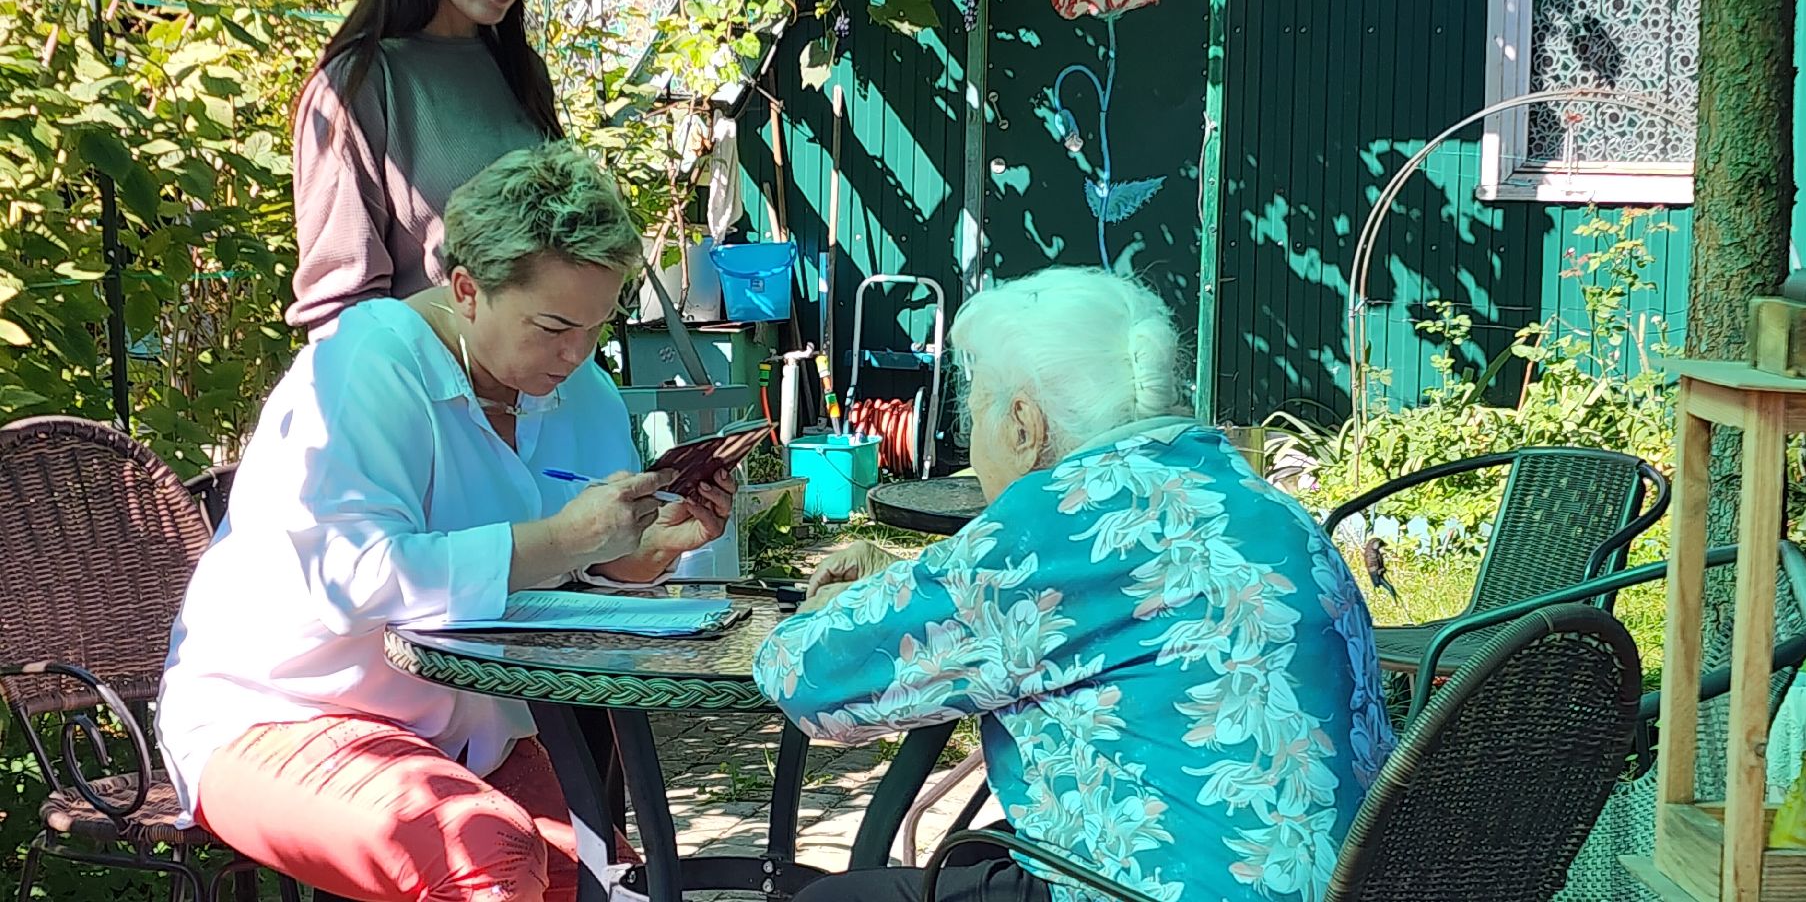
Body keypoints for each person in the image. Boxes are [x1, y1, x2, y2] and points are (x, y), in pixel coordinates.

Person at [157, 142, 735, 902]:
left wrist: (644, 550)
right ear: (465, 288)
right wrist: (567, 537)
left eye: (596, 327)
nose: (577, 353)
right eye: (554, 325)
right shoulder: (363, 366)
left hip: (465, 727)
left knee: (612, 887)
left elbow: (581, 566)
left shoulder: (579, 384)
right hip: (282, 710)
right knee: (487, 863)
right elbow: (357, 579)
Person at [752, 268, 1396, 902]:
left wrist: (819, 609)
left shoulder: (1061, 519)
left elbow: (805, 678)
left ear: (1024, 426)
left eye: (974, 416)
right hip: (1343, 878)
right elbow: (1057, 597)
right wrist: (896, 583)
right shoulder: (1250, 496)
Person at [289, 0, 563, 336]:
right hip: (423, 402)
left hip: (544, 404)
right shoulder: (356, 88)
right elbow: (340, 320)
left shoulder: (522, 72)